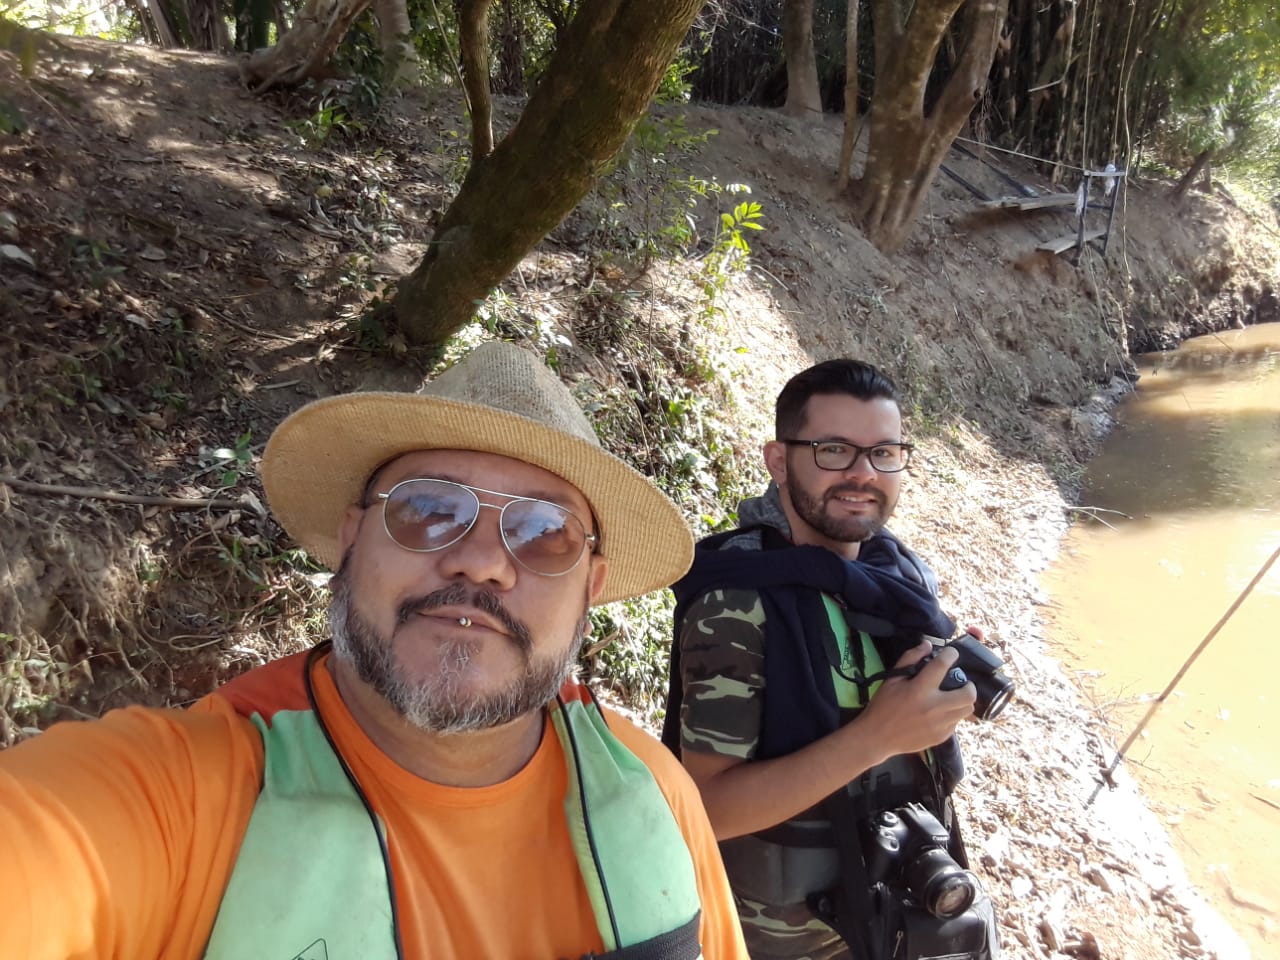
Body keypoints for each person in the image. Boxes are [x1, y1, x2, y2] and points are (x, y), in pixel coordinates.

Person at [0, 341, 748, 960]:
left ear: (591, 587)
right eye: (428, 509)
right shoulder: (180, 800)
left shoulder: (656, 791)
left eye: (545, 533)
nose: (480, 563)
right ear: (353, 538)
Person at [661, 358, 1000, 960]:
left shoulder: (895, 573)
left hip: (901, 910)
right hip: (782, 939)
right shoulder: (737, 602)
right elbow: (705, 808)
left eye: (883, 453)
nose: (862, 473)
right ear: (778, 460)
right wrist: (878, 736)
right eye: (834, 450)